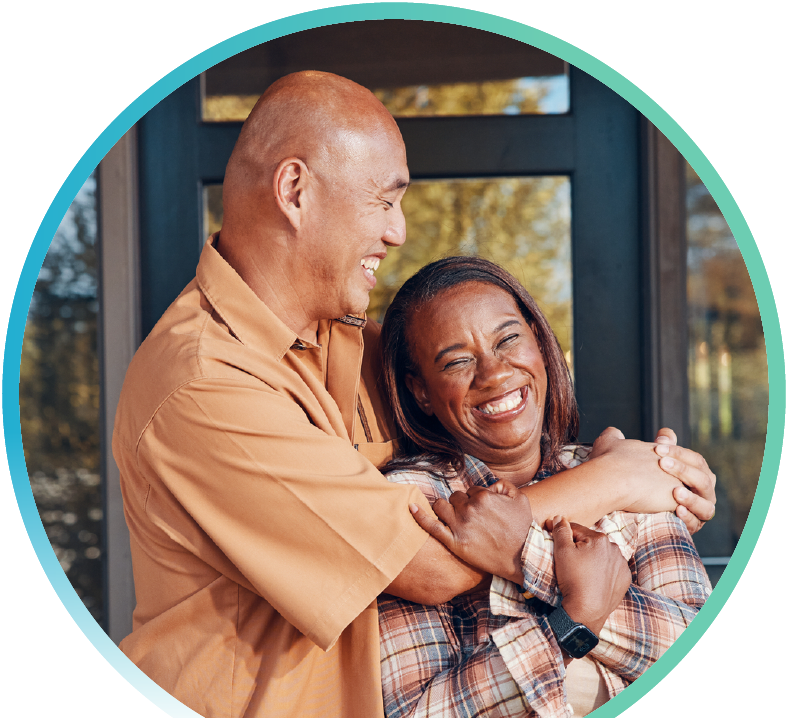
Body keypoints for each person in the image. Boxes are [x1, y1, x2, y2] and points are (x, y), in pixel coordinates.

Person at [112, 71, 716, 718]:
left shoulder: (358, 347)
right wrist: (615, 483)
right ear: (294, 191)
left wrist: (671, 478)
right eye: (384, 199)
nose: (398, 231)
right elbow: (432, 563)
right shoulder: (204, 386)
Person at [377, 256, 712, 717]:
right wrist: (573, 622)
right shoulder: (412, 497)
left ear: (538, 338)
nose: (494, 374)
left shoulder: (625, 470)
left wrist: (524, 556)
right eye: (457, 361)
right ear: (420, 392)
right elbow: (416, 711)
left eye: (509, 339)